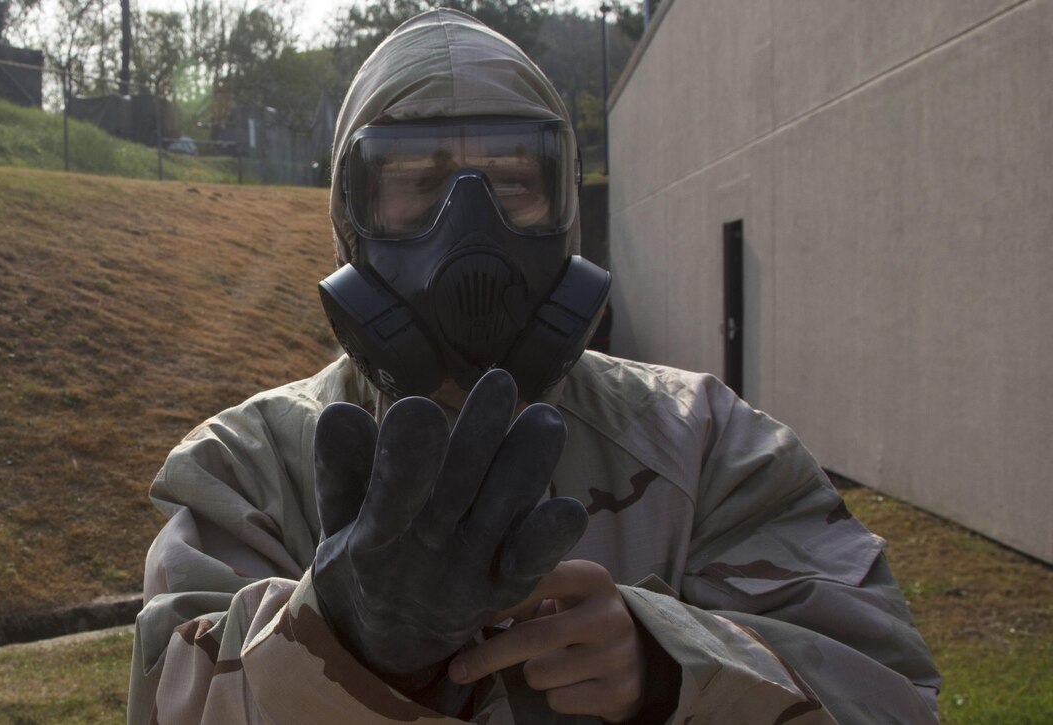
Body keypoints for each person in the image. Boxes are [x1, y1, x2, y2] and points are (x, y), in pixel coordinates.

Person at [128, 9, 940, 724]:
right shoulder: (243, 471)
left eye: (514, 181)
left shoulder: (710, 446)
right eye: (415, 180)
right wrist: (339, 641)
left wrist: (668, 664)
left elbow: (890, 696)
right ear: (351, 219)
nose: (470, 224)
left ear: (567, 208)